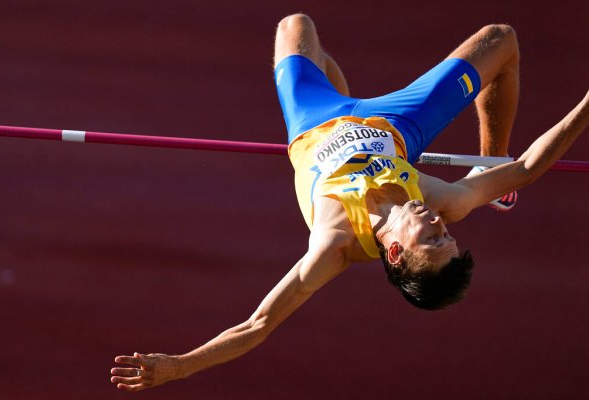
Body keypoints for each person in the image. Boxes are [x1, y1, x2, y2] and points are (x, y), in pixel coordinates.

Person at [110, 14, 589, 391]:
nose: (437, 222)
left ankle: (332, 83)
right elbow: (528, 167)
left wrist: (181, 366)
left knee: (295, 27)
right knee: (500, 39)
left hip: (313, 122)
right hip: (397, 124)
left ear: (396, 252)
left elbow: (256, 326)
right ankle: (488, 166)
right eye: (447, 234)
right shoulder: (444, 201)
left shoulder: (333, 245)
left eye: (432, 236)